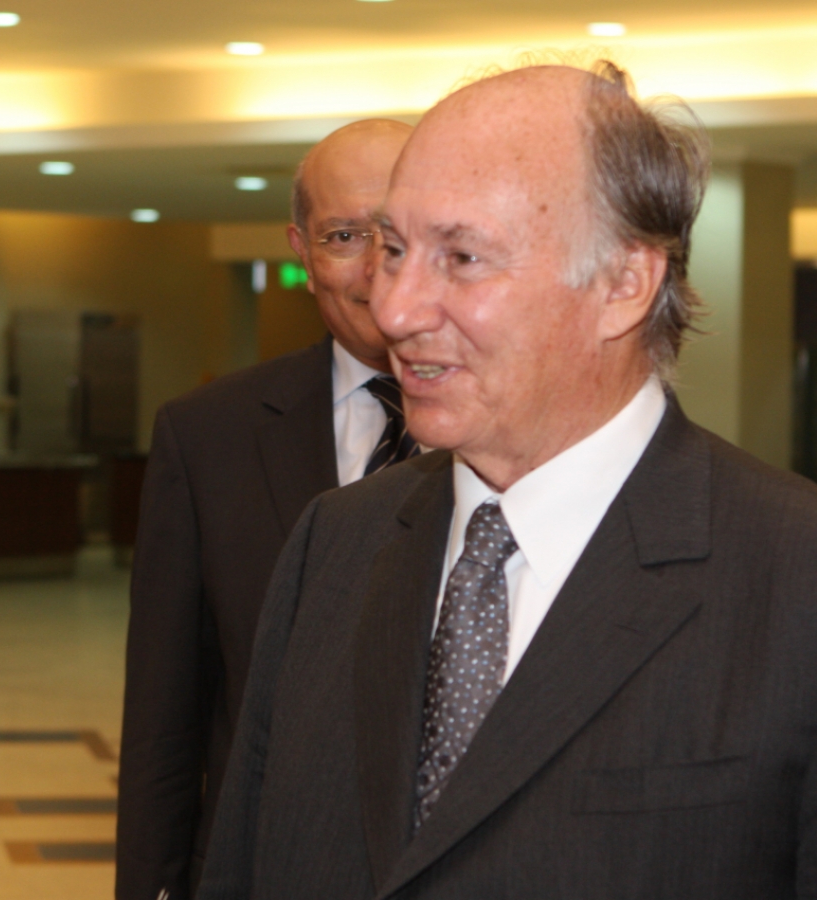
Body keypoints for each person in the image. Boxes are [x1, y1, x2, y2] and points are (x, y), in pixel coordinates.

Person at [197, 62, 817, 900]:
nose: (396, 308)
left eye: (461, 256)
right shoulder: (333, 543)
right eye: (395, 249)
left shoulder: (792, 574)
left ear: (623, 285)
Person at [116, 118, 416, 900]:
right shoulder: (207, 437)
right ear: (301, 251)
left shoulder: (519, 429)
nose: (376, 269)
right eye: (345, 235)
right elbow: (165, 719)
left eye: (399, 231)